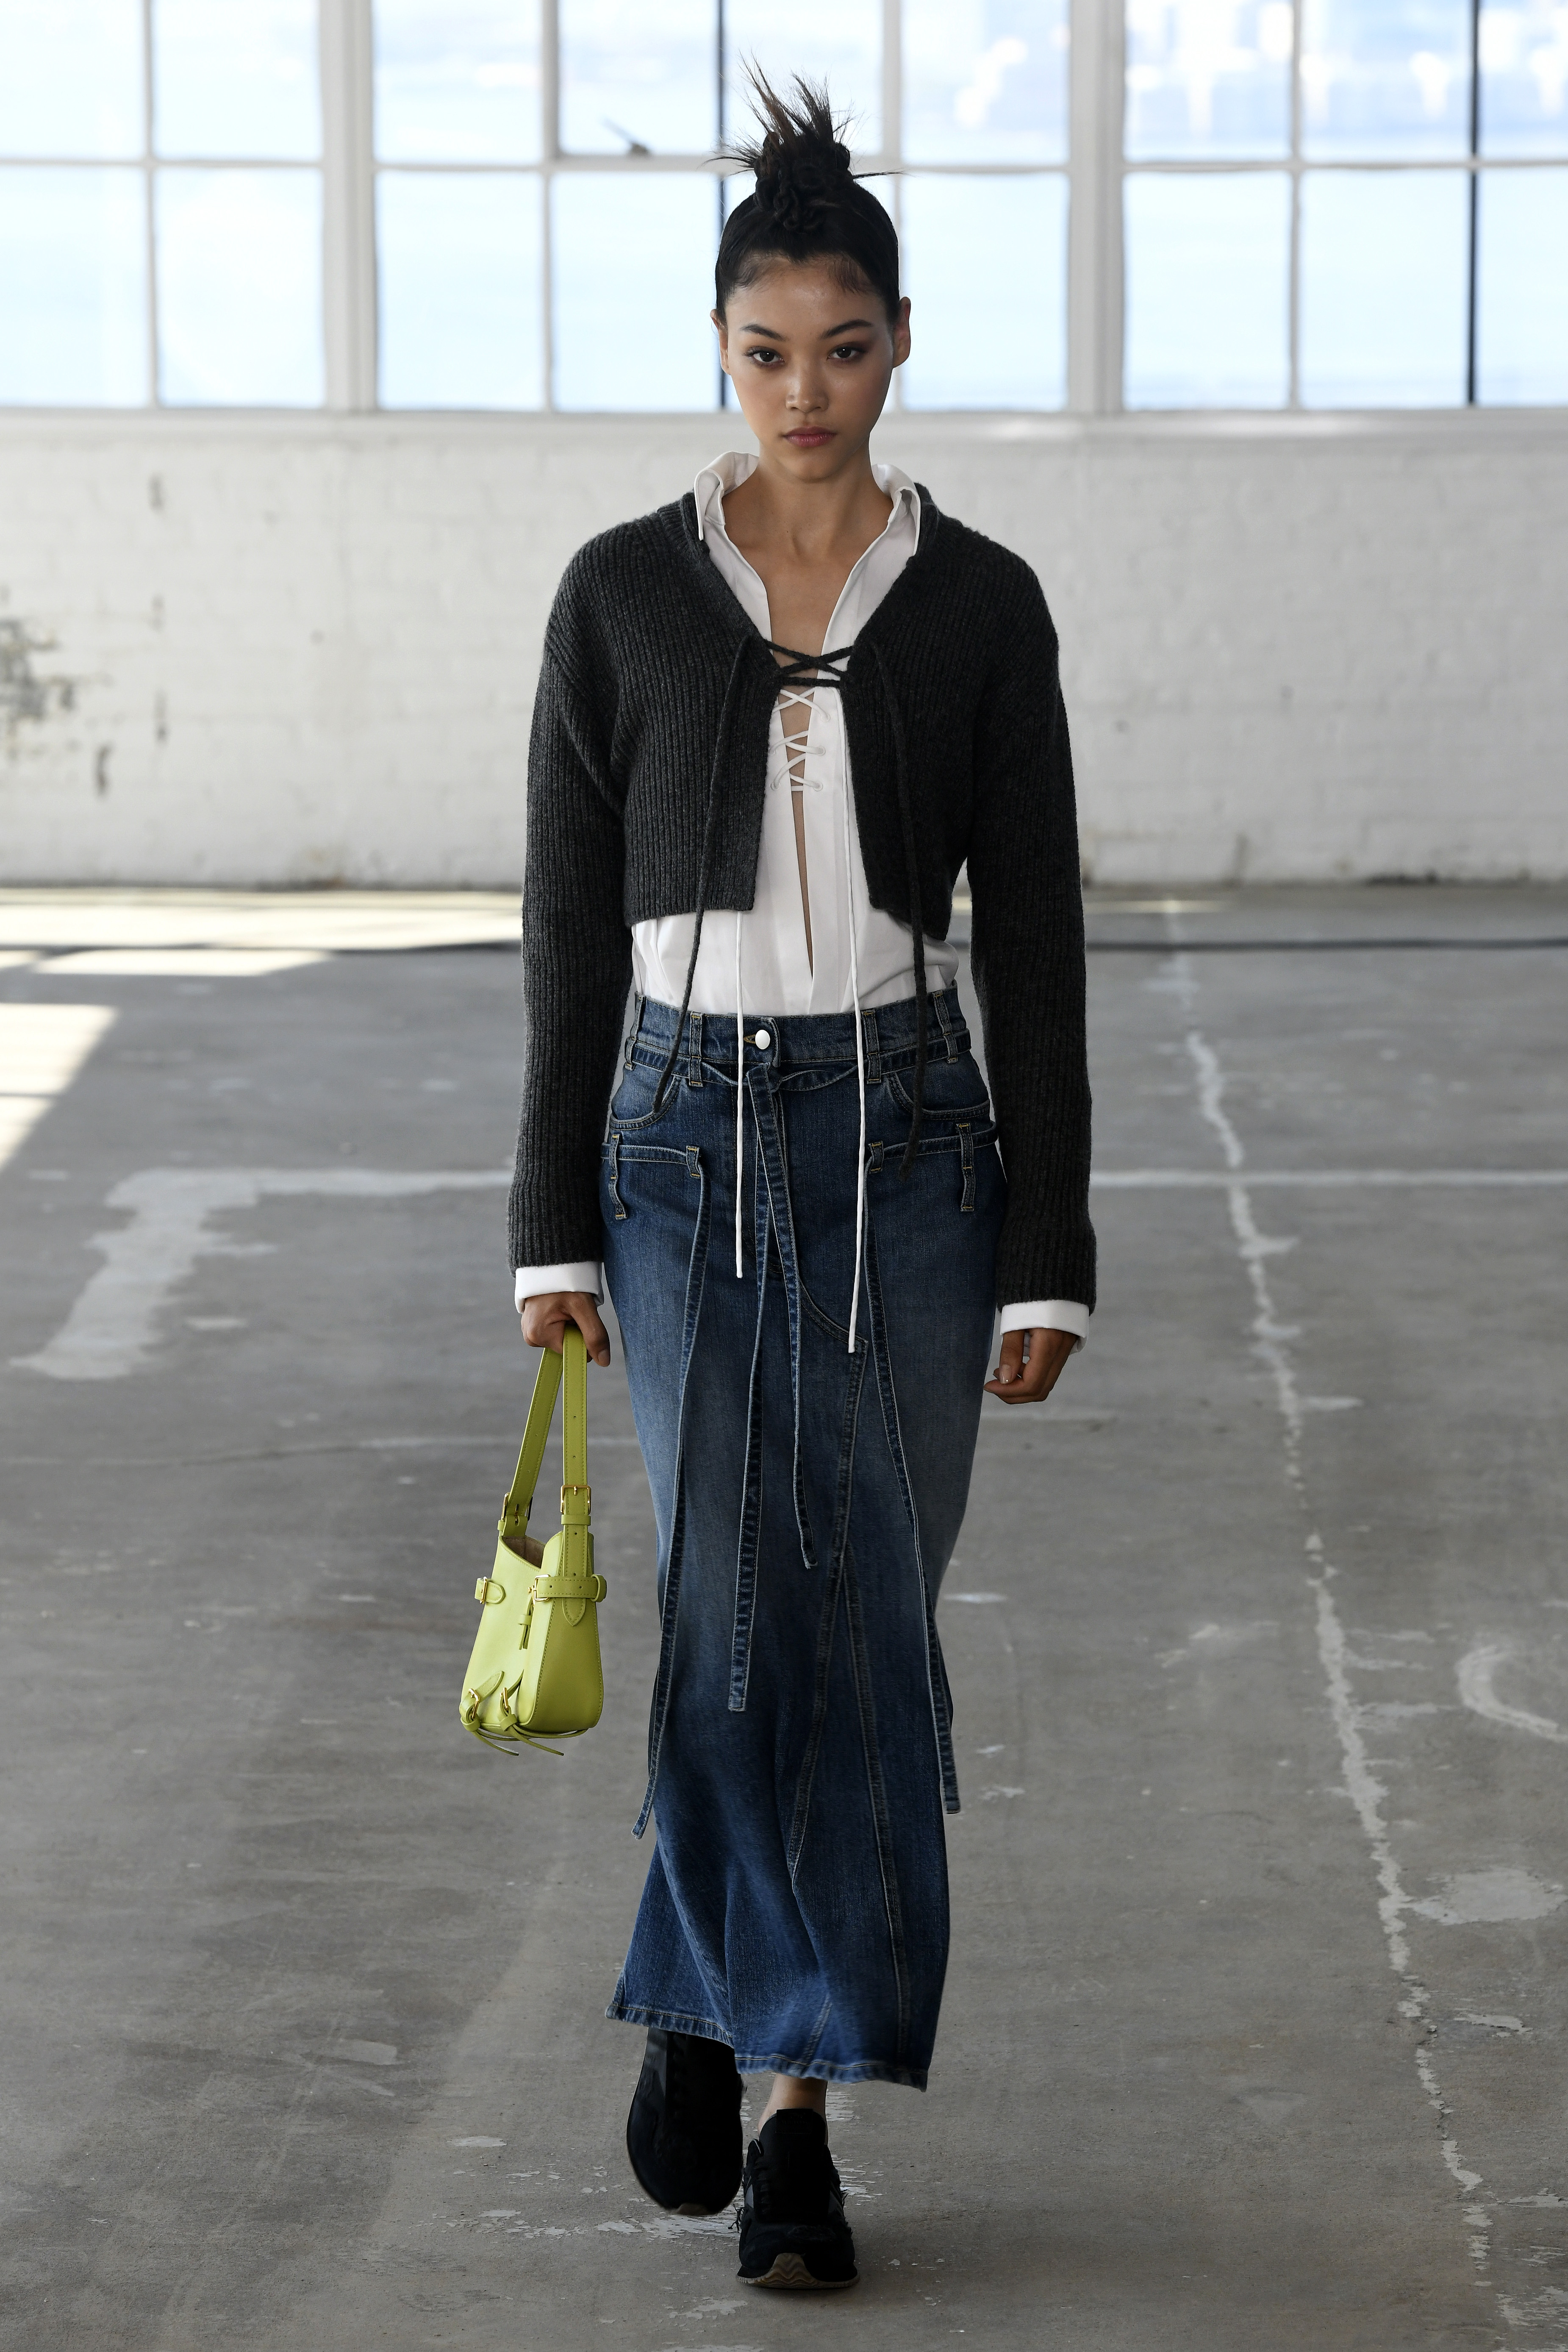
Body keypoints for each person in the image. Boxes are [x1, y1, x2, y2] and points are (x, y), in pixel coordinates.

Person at [509, 74, 1094, 2292]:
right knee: (740, 1614)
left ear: (900, 343)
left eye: (844, 348)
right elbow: (567, 936)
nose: (807, 392)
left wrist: (1049, 1249)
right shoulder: (622, 598)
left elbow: (1028, 935)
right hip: (676, 1146)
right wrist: (548, 1226)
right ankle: (786, 2121)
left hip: (911, 1150)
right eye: (768, 350)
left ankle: (713, 2000)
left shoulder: (979, 608)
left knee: (860, 1629)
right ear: (722, 352)